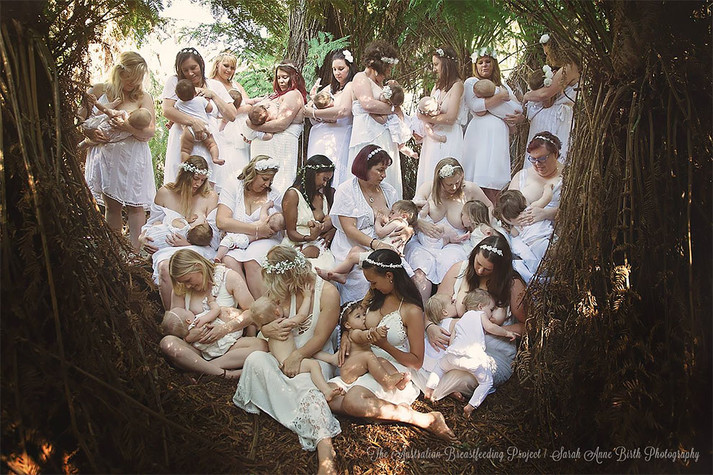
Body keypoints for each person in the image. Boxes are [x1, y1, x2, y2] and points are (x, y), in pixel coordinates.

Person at [327, 249, 458, 443]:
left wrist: (385, 345)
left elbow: (416, 362)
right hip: (365, 361)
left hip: (392, 368)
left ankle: (424, 419)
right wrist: (347, 334)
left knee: (352, 401)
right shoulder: (375, 296)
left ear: (389, 276)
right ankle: (381, 411)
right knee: (328, 394)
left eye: (373, 282)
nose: (371, 286)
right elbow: (353, 317)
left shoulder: (412, 310)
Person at [233, 245, 341, 475]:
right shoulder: (281, 287)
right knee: (255, 360)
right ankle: (291, 404)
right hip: (283, 357)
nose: (273, 289)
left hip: (314, 356)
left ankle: (325, 448)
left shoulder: (328, 292)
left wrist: (297, 356)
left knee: (309, 387)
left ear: (291, 275)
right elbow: (259, 315)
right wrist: (266, 329)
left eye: (276, 281)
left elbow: (320, 337)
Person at [412, 235, 527, 401]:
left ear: (500, 269)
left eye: (487, 269)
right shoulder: (460, 269)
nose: (480, 271)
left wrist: (490, 329)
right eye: (478, 263)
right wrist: (430, 327)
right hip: (451, 343)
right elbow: (435, 305)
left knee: (468, 378)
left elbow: (528, 325)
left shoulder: (512, 284)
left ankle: (439, 385)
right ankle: (441, 385)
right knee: (411, 348)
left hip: (492, 350)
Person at [79, 51, 156, 249]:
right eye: (129, 78)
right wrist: (90, 133)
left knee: (135, 206)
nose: (133, 83)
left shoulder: (143, 97)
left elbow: (150, 132)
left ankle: (135, 253)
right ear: (118, 72)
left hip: (133, 157)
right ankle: (114, 251)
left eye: (137, 79)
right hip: (106, 158)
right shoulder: (97, 90)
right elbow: (79, 121)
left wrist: (127, 127)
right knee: (112, 205)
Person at [159, 249, 265, 379]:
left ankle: (201, 369)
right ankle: (226, 374)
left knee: (261, 345)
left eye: (188, 280)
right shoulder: (181, 288)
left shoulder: (229, 277)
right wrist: (188, 337)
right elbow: (175, 324)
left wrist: (224, 329)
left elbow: (252, 312)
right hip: (198, 348)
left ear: (198, 266)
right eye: (183, 282)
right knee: (167, 343)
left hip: (228, 345)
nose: (187, 286)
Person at [139, 156, 221, 309]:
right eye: (195, 178)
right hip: (168, 248)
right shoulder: (165, 193)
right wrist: (143, 238)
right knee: (165, 267)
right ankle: (173, 314)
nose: (198, 184)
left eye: (202, 180)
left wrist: (188, 243)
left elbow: (215, 236)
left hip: (197, 248)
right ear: (184, 174)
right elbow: (151, 224)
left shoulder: (210, 197)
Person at [407, 158, 493, 303]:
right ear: (439, 180)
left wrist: (482, 226)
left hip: (456, 242)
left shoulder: (469, 189)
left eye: (457, 182)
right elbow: (410, 210)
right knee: (421, 269)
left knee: (449, 265)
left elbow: (489, 206)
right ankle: (420, 309)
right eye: (449, 184)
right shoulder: (428, 188)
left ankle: (442, 307)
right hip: (426, 242)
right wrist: (420, 223)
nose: (454, 187)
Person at [329, 145, 406, 303]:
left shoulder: (389, 191)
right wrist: (376, 244)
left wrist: (406, 231)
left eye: (385, 170)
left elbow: (399, 217)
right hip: (352, 246)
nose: (384, 175)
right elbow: (349, 229)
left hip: (385, 243)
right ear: (364, 168)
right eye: (380, 170)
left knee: (403, 273)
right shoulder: (346, 190)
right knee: (366, 278)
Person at [424, 289, 518, 417]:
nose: (491, 313)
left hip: (453, 355)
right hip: (472, 359)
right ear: (480, 307)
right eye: (490, 309)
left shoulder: (461, 320)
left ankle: (429, 389)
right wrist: (507, 333)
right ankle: (471, 406)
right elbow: (491, 327)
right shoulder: (480, 315)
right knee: (486, 382)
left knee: (439, 367)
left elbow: (452, 342)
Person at [250, 282, 344, 402]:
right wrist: (307, 297)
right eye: (277, 304)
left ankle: (331, 359)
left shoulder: (272, 327)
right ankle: (326, 390)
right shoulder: (282, 324)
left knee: (309, 350)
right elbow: (302, 316)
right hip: (287, 362)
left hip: (286, 356)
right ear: (277, 312)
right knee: (313, 365)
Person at [162, 47, 237, 186]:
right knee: (182, 185)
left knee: (207, 187)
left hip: (208, 142)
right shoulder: (175, 82)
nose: (190, 73)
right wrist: (193, 122)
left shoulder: (215, 85)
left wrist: (213, 95)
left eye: (193, 68)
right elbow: (167, 110)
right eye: (185, 70)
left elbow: (232, 115)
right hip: (184, 140)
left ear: (201, 64)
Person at [216, 155, 283, 299]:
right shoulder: (233, 186)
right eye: (264, 179)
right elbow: (222, 221)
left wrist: (260, 232)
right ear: (253, 173)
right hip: (239, 239)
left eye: (271, 180)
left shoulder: (274, 196)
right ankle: (249, 304)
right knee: (228, 260)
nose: (267, 184)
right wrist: (257, 229)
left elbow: (278, 225)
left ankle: (263, 305)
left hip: (265, 240)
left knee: (252, 259)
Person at [347, 41, 403, 198]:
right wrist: (394, 109)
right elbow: (368, 104)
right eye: (388, 67)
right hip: (367, 135)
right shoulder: (361, 77)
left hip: (384, 136)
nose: (389, 71)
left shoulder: (381, 84)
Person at [463, 48, 518, 203]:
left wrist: (517, 117)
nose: (484, 65)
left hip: (498, 135)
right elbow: (477, 107)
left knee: (494, 177)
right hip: (479, 134)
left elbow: (516, 108)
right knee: (478, 176)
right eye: (480, 62)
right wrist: (500, 97)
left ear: (493, 64)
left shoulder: (503, 85)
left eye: (488, 62)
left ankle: (495, 210)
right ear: (475, 65)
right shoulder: (471, 83)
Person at [317, 199, 417, 284]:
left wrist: (377, 221)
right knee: (355, 249)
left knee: (353, 257)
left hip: (384, 258)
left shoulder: (397, 222)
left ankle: (332, 272)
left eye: (393, 213)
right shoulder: (401, 225)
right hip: (381, 253)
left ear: (404, 216)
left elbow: (380, 232)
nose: (390, 215)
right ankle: (344, 274)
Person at [246, 60, 307, 194]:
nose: (281, 81)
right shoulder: (276, 95)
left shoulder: (293, 94)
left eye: (285, 77)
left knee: (279, 184)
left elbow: (281, 124)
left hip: (281, 147)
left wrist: (253, 126)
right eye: (278, 77)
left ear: (294, 77)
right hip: (267, 149)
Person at [329, 300, 412, 391]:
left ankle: (397, 379)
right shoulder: (354, 333)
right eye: (358, 316)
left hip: (359, 366)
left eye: (364, 314)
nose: (363, 318)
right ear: (348, 325)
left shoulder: (353, 332)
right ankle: (388, 382)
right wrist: (373, 332)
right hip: (350, 371)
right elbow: (362, 336)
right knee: (369, 356)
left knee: (380, 360)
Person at [522, 33, 580, 163]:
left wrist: (527, 96)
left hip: (555, 118)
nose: (547, 57)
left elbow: (545, 93)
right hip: (549, 117)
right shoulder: (563, 68)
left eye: (548, 53)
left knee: (551, 156)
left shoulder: (568, 67)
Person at [305, 49, 357, 187]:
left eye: (341, 68)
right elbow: (310, 105)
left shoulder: (351, 86)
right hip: (320, 135)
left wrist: (314, 113)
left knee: (335, 173)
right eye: (334, 69)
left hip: (340, 135)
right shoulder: (330, 88)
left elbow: (343, 111)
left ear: (350, 67)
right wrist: (315, 109)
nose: (337, 73)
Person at [416, 46, 466, 189]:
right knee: (430, 174)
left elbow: (450, 117)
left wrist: (424, 117)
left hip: (449, 136)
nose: (434, 69)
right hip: (432, 137)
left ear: (446, 64)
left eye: (436, 64)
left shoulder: (457, 85)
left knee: (446, 174)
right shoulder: (437, 86)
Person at [281, 155, 337, 270]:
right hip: (297, 245)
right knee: (310, 270)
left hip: (320, 246)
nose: (325, 184)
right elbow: (291, 232)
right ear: (312, 174)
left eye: (328, 180)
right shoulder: (293, 194)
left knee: (329, 269)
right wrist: (310, 238)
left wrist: (331, 230)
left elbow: (331, 221)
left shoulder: (323, 196)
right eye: (324, 179)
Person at [209, 52, 253, 190]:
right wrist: (230, 113)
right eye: (226, 66)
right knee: (224, 164)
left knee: (240, 164)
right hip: (221, 130)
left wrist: (233, 112)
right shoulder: (209, 84)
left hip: (239, 132)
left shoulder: (236, 85)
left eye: (232, 68)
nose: (229, 70)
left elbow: (249, 105)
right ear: (217, 65)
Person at [214, 202, 285, 263]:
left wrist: (268, 204)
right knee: (230, 242)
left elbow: (263, 208)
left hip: (243, 237)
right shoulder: (271, 234)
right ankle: (229, 248)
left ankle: (218, 257)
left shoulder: (264, 220)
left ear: (269, 217)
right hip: (246, 242)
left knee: (227, 241)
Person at [174, 79, 223, 165]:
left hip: (188, 130)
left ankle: (185, 164)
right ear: (194, 92)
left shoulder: (178, 104)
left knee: (185, 150)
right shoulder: (200, 100)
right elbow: (210, 109)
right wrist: (207, 101)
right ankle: (215, 158)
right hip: (204, 128)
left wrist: (170, 123)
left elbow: (175, 115)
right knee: (212, 145)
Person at [78, 94, 152, 150]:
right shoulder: (130, 132)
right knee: (89, 141)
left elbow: (106, 110)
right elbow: (144, 138)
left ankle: (80, 144)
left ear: (131, 113)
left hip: (99, 128)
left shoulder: (122, 115)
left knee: (87, 126)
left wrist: (96, 103)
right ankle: (81, 144)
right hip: (105, 136)